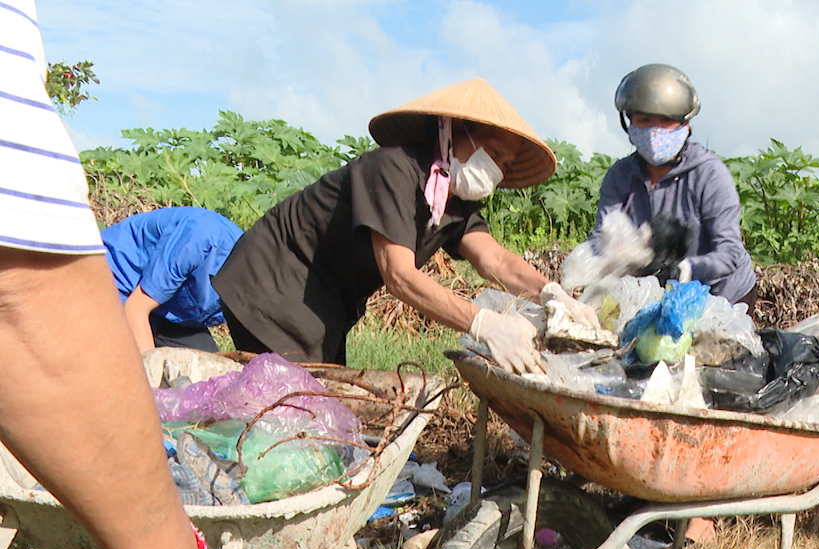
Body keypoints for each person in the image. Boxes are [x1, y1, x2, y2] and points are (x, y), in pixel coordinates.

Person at [0, 0, 233, 549]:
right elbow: (31, 291)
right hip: (96, 278)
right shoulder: (202, 239)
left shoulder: (229, 283)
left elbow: (198, 338)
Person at [212, 79, 598, 374]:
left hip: (322, 303)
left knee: (318, 404)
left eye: (505, 164)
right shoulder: (392, 168)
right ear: (454, 131)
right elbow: (399, 275)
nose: (497, 170)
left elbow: (493, 257)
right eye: (494, 153)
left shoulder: (453, 197)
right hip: (271, 281)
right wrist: (483, 323)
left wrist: (552, 294)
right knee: (293, 410)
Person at [581, 63, 757, 307]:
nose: (655, 131)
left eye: (665, 121)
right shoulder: (620, 176)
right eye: (644, 120)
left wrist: (684, 270)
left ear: (684, 124)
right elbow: (603, 237)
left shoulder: (709, 174)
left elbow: (729, 254)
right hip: (659, 292)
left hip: (721, 294)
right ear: (629, 123)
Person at [101, 206, 243, 353]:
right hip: (114, 284)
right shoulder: (200, 237)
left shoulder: (255, 292)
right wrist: (150, 372)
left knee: (208, 371)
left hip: (166, 312)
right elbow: (135, 309)